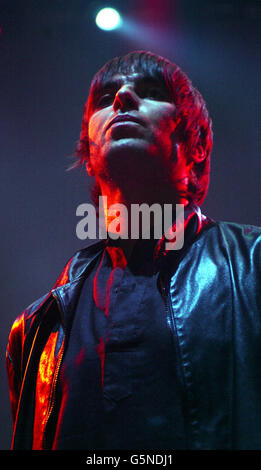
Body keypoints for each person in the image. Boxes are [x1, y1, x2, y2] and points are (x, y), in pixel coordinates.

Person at [6, 50, 261, 450]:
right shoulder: (36, 328)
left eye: (152, 90)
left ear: (194, 146)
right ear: (89, 156)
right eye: (105, 98)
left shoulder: (255, 266)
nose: (123, 97)